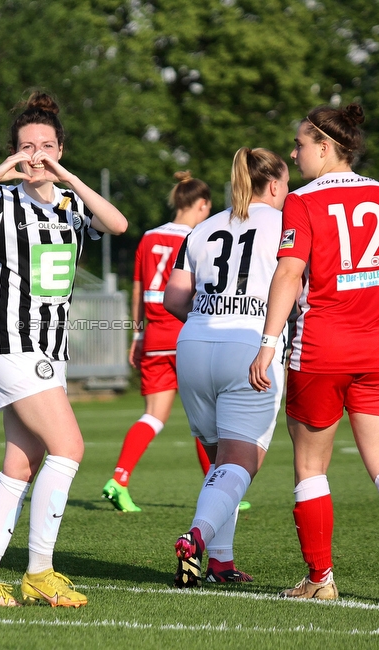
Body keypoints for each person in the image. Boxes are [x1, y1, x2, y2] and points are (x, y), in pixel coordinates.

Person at [0, 91, 128, 608]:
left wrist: (68, 179)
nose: (36, 155)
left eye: (46, 146)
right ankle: (40, 571)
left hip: (48, 349)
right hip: (12, 344)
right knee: (70, 448)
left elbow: (117, 225)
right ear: (15, 154)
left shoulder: (71, 204)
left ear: (61, 150)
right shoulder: (4, 202)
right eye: (26, 147)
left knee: (20, 467)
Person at [248, 103, 379, 607]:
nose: (294, 152)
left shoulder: (303, 202)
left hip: (322, 349)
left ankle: (320, 578)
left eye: (300, 144)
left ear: (325, 146)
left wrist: (267, 343)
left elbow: (288, 273)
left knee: (310, 467)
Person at [163, 147, 290, 587]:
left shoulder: (202, 228)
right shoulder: (287, 225)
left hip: (194, 343)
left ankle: (219, 561)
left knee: (221, 462)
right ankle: (196, 538)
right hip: (252, 346)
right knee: (241, 462)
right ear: (274, 185)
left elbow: (174, 299)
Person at [102, 171, 214, 513]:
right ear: (202, 204)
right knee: (206, 419)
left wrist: (137, 335)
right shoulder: (201, 235)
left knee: (153, 417)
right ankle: (220, 494)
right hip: (187, 331)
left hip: (154, 336)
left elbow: (137, 289)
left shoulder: (149, 238)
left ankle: (119, 479)